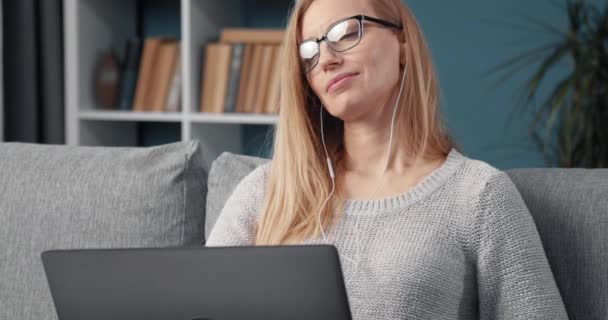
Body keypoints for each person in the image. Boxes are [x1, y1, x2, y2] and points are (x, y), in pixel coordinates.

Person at [206, 0, 569, 319]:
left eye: (346, 32)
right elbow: (194, 304)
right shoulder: (265, 192)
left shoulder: (478, 197)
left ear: (402, 44)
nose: (327, 60)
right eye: (309, 52)